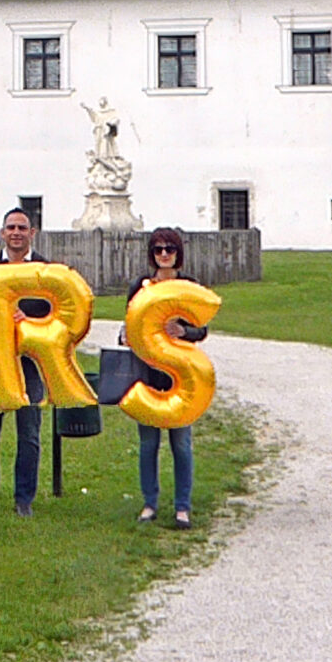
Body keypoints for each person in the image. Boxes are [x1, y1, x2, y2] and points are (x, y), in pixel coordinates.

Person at [0, 206, 51, 521]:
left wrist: (28, 320)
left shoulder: (45, 270)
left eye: (22, 227)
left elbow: (54, 310)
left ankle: (24, 499)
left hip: (30, 363)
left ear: (32, 233)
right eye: (10, 228)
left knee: (29, 434)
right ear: (2, 233)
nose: (16, 232)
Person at [126, 225, 206, 529]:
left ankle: (182, 507)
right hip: (148, 371)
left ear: (178, 254)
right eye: (158, 250)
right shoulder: (141, 286)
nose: (163, 255)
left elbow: (203, 329)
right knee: (148, 443)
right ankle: (150, 503)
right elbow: (130, 321)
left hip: (182, 376)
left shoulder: (189, 286)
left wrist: (184, 331)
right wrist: (127, 336)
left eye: (169, 249)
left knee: (181, 443)